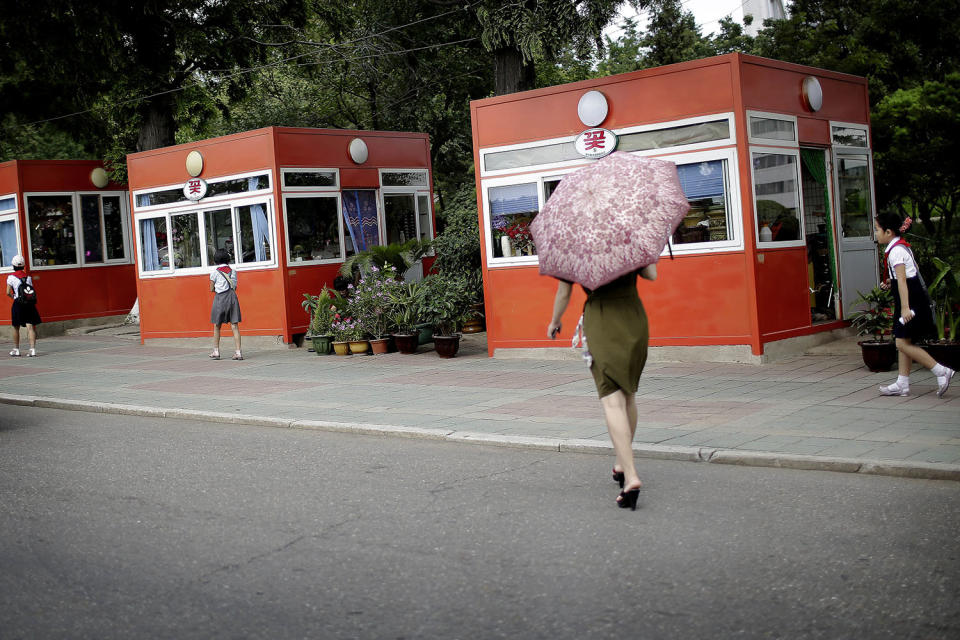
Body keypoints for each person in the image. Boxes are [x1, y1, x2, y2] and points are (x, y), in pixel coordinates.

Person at [547, 264, 658, 511]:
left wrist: (555, 321)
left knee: (612, 400)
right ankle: (621, 463)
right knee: (629, 394)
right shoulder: (629, 238)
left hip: (601, 320)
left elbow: (564, 293)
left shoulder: (578, 247)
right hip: (634, 319)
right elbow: (652, 275)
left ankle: (630, 476)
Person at [874, 213, 953, 397]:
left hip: (910, 300)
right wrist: (889, 284)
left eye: (877, 230)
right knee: (904, 339)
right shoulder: (899, 247)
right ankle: (902, 383)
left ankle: (942, 371)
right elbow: (904, 277)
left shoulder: (897, 252)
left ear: (888, 232)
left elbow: (903, 281)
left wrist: (905, 308)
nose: (875, 234)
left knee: (901, 343)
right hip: (909, 297)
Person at [209, 249, 242, 361]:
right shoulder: (233, 271)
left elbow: (211, 288)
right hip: (232, 298)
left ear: (216, 259)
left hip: (220, 299)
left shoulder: (214, 272)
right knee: (234, 326)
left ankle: (216, 351)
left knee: (217, 326)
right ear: (228, 259)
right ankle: (238, 352)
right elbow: (235, 286)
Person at [6, 255, 41, 357]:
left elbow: (7, 292)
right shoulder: (28, 277)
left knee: (15, 327)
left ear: (13, 265)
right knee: (30, 327)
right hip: (29, 304)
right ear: (23, 265)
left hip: (18, 303)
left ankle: (16, 349)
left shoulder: (11, 277)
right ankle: (32, 350)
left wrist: (14, 297)